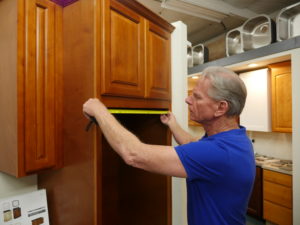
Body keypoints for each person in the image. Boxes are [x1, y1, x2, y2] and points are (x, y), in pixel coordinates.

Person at [82, 66, 256, 225]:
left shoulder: (219, 153)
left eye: (196, 97)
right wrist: (172, 124)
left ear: (221, 107)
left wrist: (99, 110)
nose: (187, 100)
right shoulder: (234, 139)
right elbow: (191, 143)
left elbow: (134, 154)